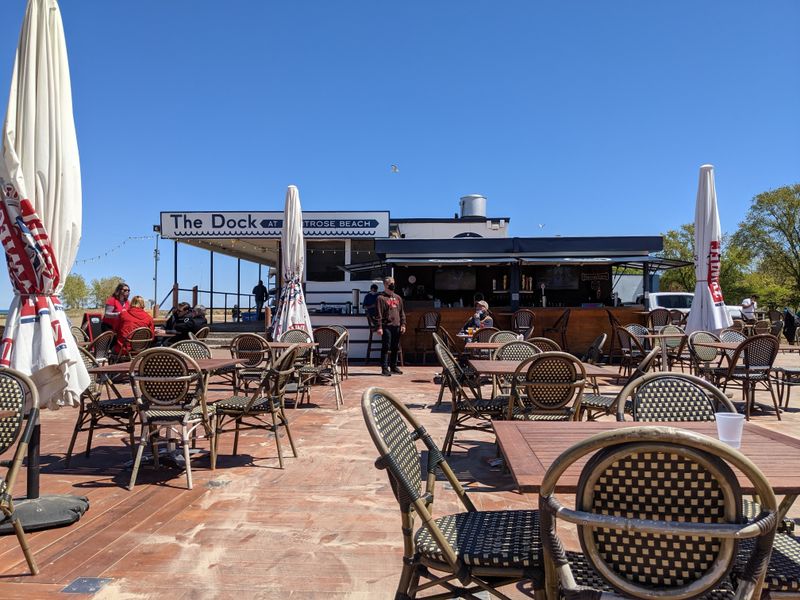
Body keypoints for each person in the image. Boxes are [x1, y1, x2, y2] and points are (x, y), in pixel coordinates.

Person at [375, 276, 406, 376]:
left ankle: (393, 366)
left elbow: (402, 312)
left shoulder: (398, 298)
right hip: (386, 325)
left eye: (393, 283)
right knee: (386, 346)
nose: (392, 285)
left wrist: (403, 324)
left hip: (396, 325)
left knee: (395, 347)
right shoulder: (380, 298)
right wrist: (379, 327)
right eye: (390, 284)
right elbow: (378, 313)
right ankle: (384, 368)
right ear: (385, 285)